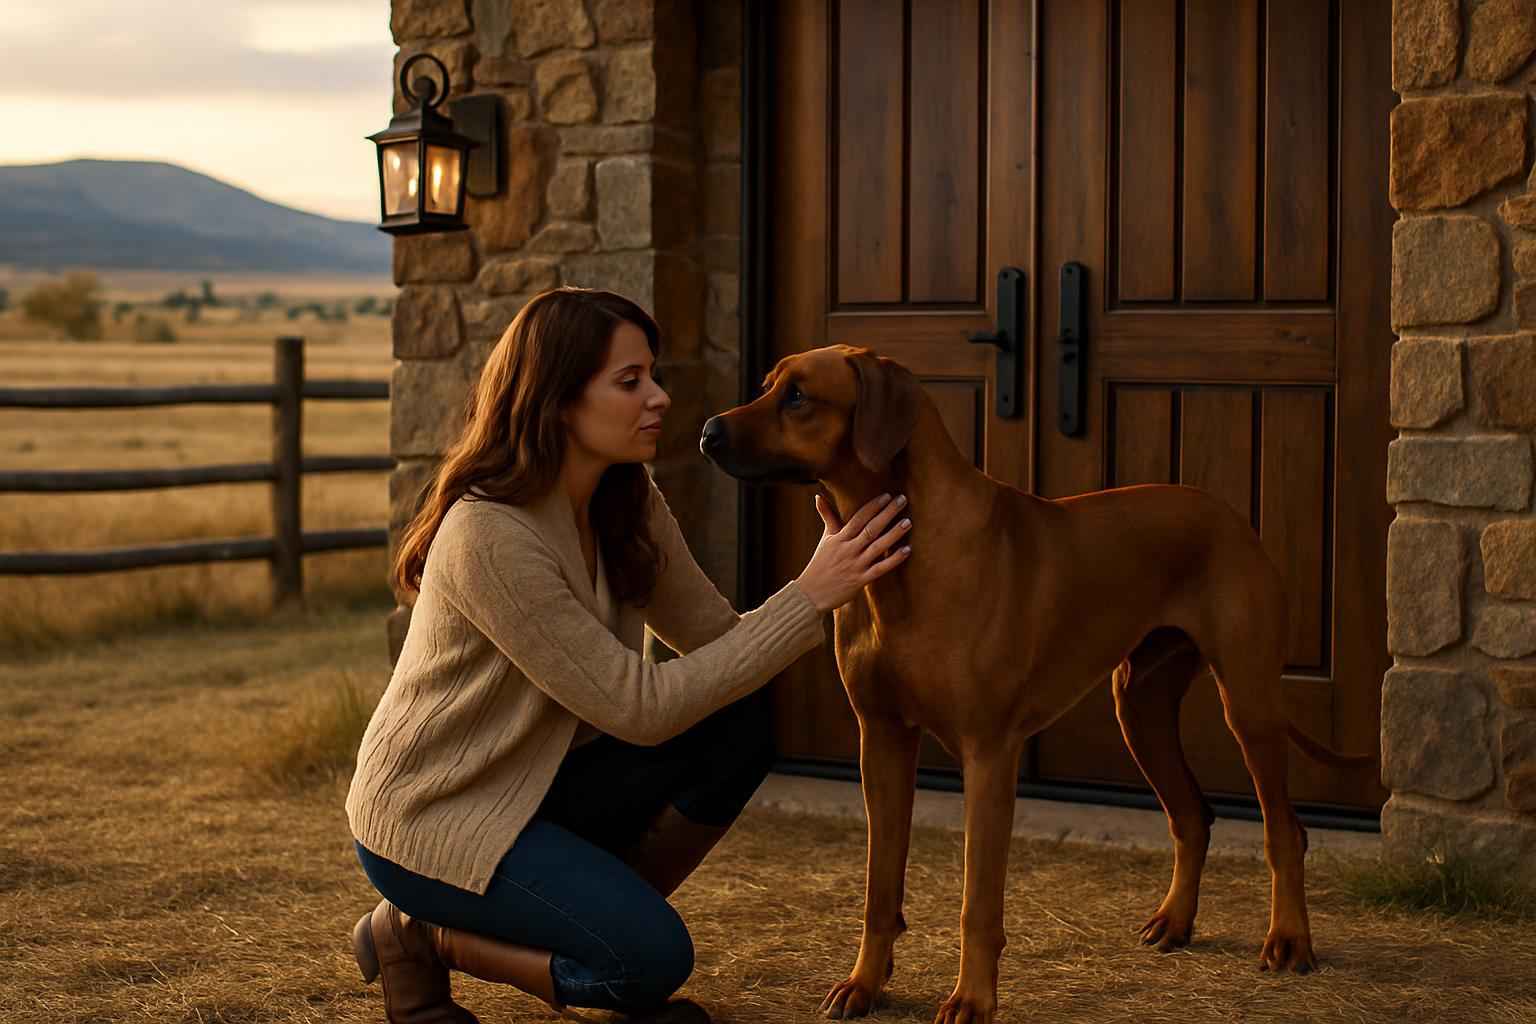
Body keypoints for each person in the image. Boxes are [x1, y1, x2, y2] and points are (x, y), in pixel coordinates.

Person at [345, 287, 913, 1024]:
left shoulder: (624, 497)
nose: (660, 397)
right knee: (654, 962)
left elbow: (716, 641)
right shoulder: (491, 536)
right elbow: (637, 711)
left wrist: (843, 596)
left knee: (738, 728)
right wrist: (810, 595)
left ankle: (597, 925)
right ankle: (422, 931)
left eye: (653, 374)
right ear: (556, 402)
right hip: (434, 817)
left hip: (538, 786)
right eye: (630, 381)